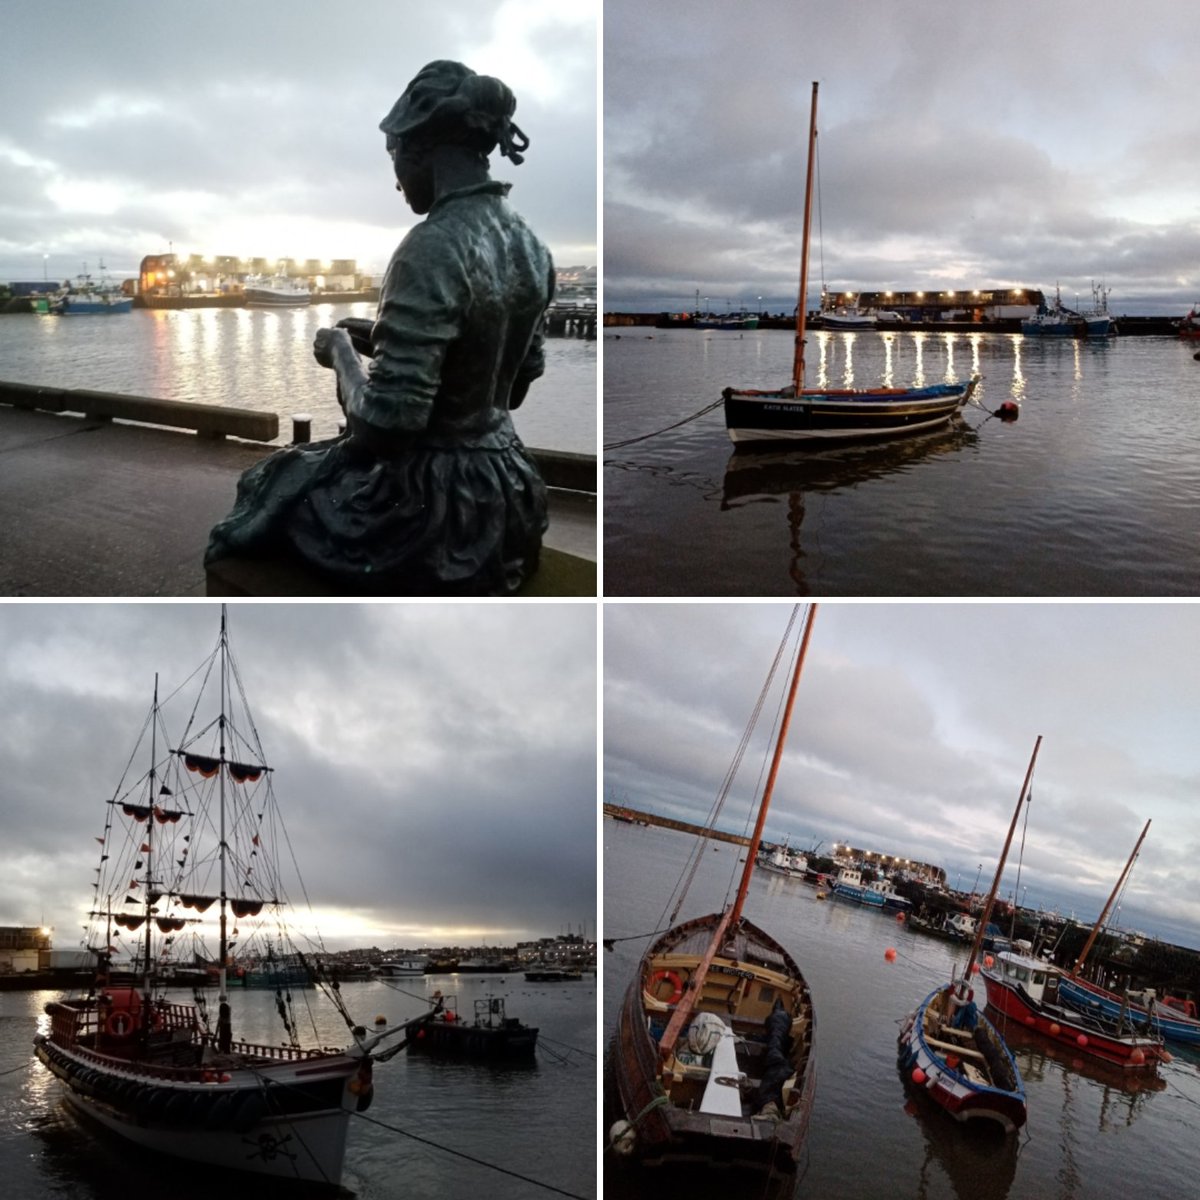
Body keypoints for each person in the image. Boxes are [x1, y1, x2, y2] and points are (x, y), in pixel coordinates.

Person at [206, 60, 555, 594]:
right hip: (509, 492)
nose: (397, 184)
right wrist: (384, 338)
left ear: (420, 150)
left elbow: (388, 429)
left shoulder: (429, 248)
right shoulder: (533, 246)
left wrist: (343, 354)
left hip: (432, 510)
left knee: (270, 482)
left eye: (394, 158)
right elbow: (513, 387)